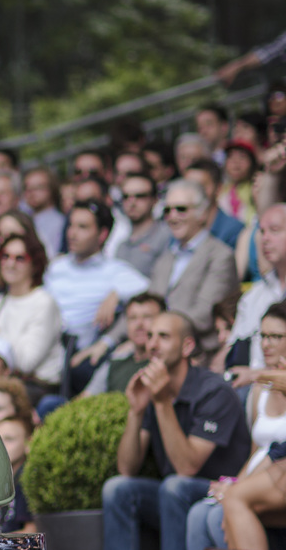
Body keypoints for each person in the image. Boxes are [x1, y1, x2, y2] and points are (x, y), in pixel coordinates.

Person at [66, 312, 251, 550]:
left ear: (187, 346)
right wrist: (136, 411)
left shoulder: (213, 391)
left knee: (174, 486)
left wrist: (162, 400)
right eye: (150, 336)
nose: (152, 343)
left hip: (220, 493)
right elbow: (127, 467)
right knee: (118, 490)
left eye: (163, 336)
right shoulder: (154, 393)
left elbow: (187, 466)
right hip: (176, 494)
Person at [187, 305, 286, 550]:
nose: (266, 343)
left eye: (276, 336)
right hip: (261, 478)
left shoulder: (263, 380)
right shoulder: (260, 391)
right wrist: (235, 483)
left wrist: (257, 374)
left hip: (273, 480)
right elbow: (257, 452)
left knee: (227, 506)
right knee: (200, 513)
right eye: (263, 336)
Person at [94, 179, 241, 359]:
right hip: (158, 349)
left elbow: (203, 315)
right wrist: (107, 341)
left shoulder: (220, 255)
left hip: (199, 355)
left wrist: (147, 336)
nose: (173, 216)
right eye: (167, 210)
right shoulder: (166, 258)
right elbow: (147, 305)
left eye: (181, 209)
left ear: (202, 213)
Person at [45, 201, 147, 364]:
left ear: (102, 234)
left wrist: (117, 294)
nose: (72, 233)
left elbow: (152, 292)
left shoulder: (115, 271)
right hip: (46, 346)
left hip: (78, 353)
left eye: (82, 227)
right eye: (71, 225)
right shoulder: (56, 266)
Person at [0, 231, 63, 397]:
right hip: (1, 383)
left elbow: (25, 363)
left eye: (20, 258)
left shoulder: (44, 302)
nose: (10, 264)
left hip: (36, 388)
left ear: (35, 264)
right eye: (5, 256)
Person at [227, 203, 286, 386]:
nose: (264, 239)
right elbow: (231, 353)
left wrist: (255, 375)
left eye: (274, 230)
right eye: (261, 231)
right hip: (249, 393)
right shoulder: (253, 296)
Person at [82, 293, 164, 397]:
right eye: (133, 318)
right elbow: (85, 399)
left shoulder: (169, 363)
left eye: (147, 317)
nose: (139, 324)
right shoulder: (115, 362)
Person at [104, 171, 165, 274]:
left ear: (155, 199)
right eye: (126, 197)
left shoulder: (167, 236)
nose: (131, 202)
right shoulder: (118, 240)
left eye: (140, 196)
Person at [182, 159, 245, 250]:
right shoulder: (178, 227)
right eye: (187, 186)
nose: (193, 192)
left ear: (218, 188)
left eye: (200, 186)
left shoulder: (233, 230)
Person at [22, 167, 65, 256]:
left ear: (51, 189)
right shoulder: (24, 218)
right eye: (27, 188)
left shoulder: (60, 222)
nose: (31, 192)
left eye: (38, 187)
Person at [218, 139, 257, 222]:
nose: (236, 162)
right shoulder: (220, 190)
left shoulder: (257, 187)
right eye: (230, 156)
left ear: (252, 162)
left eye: (242, 157)